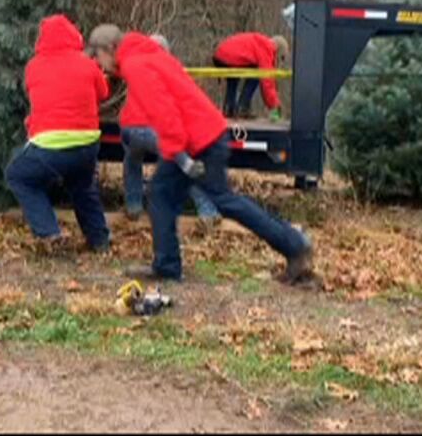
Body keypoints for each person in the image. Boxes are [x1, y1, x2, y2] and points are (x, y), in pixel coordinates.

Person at [90, 26, 314, 283]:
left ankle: (295, 246)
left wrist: (180, 155)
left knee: (223, 200)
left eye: (98, 59)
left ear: (109, 49)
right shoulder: (146, 54)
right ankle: (166, 267)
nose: (102, 67)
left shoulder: (135, 64)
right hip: (198, 135)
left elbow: (164, 111)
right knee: (161, 195)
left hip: (199, 140)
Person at [5, 14, 111, 252]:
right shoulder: (87, 64)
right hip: (87, 144)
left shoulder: (33, 67)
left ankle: (49, 232)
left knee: (18, 176)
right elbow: (103, 93)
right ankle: (100, 241)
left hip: (49, 145)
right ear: (74, 36)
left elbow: (37, 98)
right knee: (82, 187)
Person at [94, 29, 220, 227]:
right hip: (155, 131)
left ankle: (134, 205)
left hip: (130, 130)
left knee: (132, 160)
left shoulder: (133, 62)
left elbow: (113, 68)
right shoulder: (165, 67)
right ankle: (208, 210)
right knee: (185, 164)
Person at [212, 32, 290, 120]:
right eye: (281, 57)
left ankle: (229, 108)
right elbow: (267, 81)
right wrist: (274, 105)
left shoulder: (261, 43)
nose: (279, 61)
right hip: (227, 57)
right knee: (256, 73)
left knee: (233, 78)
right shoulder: (266, 49)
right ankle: (242, 108)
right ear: (278, 50)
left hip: (221, 54)